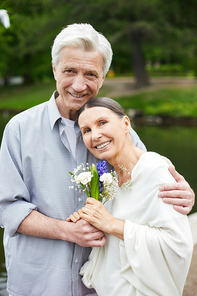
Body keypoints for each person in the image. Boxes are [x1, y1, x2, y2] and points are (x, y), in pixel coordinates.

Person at [0, 24, 194, 296]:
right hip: (39, 284)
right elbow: (7, 209)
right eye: (70, 71)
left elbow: (146, 186)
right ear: (54, 69)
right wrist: (67, 231)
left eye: (90, 74)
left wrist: (182, 195)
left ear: (102, 78)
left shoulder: (121, 133)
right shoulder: (19, 130)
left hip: (102, 287)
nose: (79, 85)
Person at [67, 96, 193, 296]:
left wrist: (111, 224)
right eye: (86, 130)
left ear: (126, 123)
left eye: (102, 123)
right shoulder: (109, 180)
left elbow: (177, 244)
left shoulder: (154, 169)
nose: (95, 135)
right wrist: (89, 219)